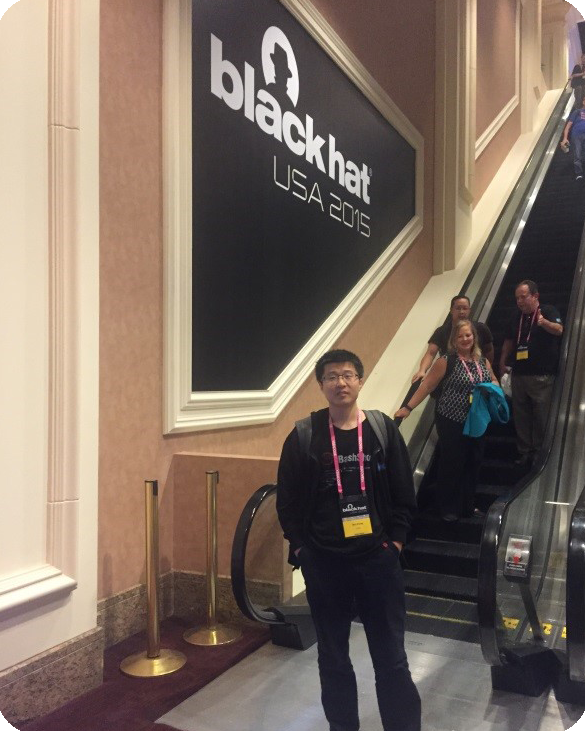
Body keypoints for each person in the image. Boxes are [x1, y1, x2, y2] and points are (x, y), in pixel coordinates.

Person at [277, 349, 421, 731]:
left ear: (359, 380)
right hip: (325, 565)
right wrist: (302, 550)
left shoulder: (381, 430)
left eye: (347, 375)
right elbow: (287, 501)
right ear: (320, 384)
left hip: (378, 561)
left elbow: (404, 493)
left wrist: (395, 545)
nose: (340, 383)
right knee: (333, 658)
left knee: (392, 659)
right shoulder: (304, 436)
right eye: (331, 376)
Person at [396, 320, 499, 522]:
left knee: (473, 461)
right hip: (451, 418)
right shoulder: (446, 361)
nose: (465, 339)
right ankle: (447, 507)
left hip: (477, 419)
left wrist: (492, 387)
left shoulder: (482, 361)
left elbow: (494, 379)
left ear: (474, 337)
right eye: (460, 336)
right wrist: (408, 407)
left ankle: (467, 505)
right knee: (453, 462)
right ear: (454, 340)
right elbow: (427, 386)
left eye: (468, 335)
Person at [498, 280, 563, 466]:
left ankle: (541, 453)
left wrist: (544, 323)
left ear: (535, 296)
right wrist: (502, 361)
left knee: (541, 415)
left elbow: (559, 330)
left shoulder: (548, 310)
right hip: (519, 374)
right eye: (517, 298)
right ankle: (524, 451)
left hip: (541, 375)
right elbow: (509, 341)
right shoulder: (516, 317)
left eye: (523, 297)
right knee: (521, 415)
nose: (519, 301)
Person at [411, 295, 494, 384]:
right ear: (451, 310)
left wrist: (486, 369)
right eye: (458, 308)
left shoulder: (481, 328)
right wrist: (422, 370)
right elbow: (431, 353)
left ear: (469, 310)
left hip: (475, 375)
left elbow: (489, 350)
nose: (462, 312)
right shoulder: (441, 331)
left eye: (465, 308)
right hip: (449, 376)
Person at [561, 93, 585, 181]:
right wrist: (565, 138)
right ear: (583, 102)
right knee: (577, 154)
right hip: (577, 135)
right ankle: (579, 173)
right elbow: (568, 125)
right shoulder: (577, 112)